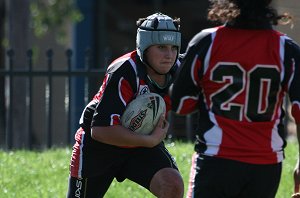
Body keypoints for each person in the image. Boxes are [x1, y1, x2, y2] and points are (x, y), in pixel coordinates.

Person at [171, 0, 300, 197]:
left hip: (216, 159)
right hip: (265, 164)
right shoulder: (286, 48)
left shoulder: (207, 41)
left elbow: (181, 105)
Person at [66, 12, 184, 198]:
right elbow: (100, 130)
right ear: (144, 47)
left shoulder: (180, 69)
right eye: (161, 47)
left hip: (141, 145)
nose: (169, 55)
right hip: (98, 147)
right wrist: (150, 140)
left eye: (173, 47)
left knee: (172, 184)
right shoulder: (124, 70)